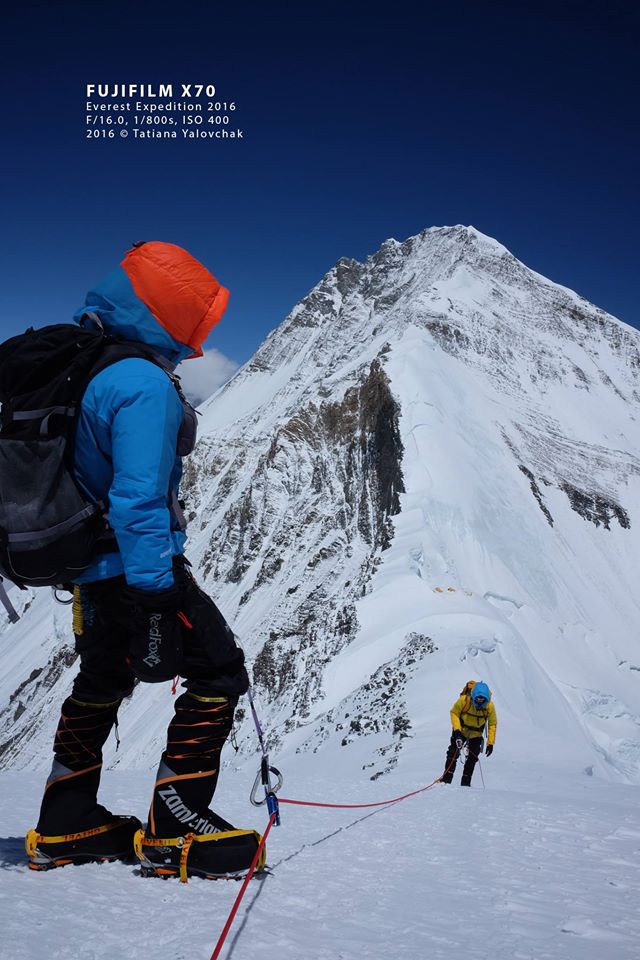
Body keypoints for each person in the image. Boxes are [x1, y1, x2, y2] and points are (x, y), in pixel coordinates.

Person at [26, 241, 262, 879]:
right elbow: (137, 500)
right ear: (173, 313)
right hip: (135, 570)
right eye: (197, 319)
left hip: (85, 571)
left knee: (101, 682)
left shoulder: (82, 363)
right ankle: (175, 822)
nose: (201, 336)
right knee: (217, 670)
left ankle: (65, 820)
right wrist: (158, 595)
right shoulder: (141, 382)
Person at [439, 680, 496, 786]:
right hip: (461, 731)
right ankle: (446, 779)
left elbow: (492, 724)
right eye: (478, 698)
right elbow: (454, 713)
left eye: (482, 699)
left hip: (476, 734)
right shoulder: (464, 701)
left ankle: (465, 783)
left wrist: (490, 743)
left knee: (472, 758)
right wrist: (457, 730)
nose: (479, 701)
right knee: (453, 752)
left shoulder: (489, 707)